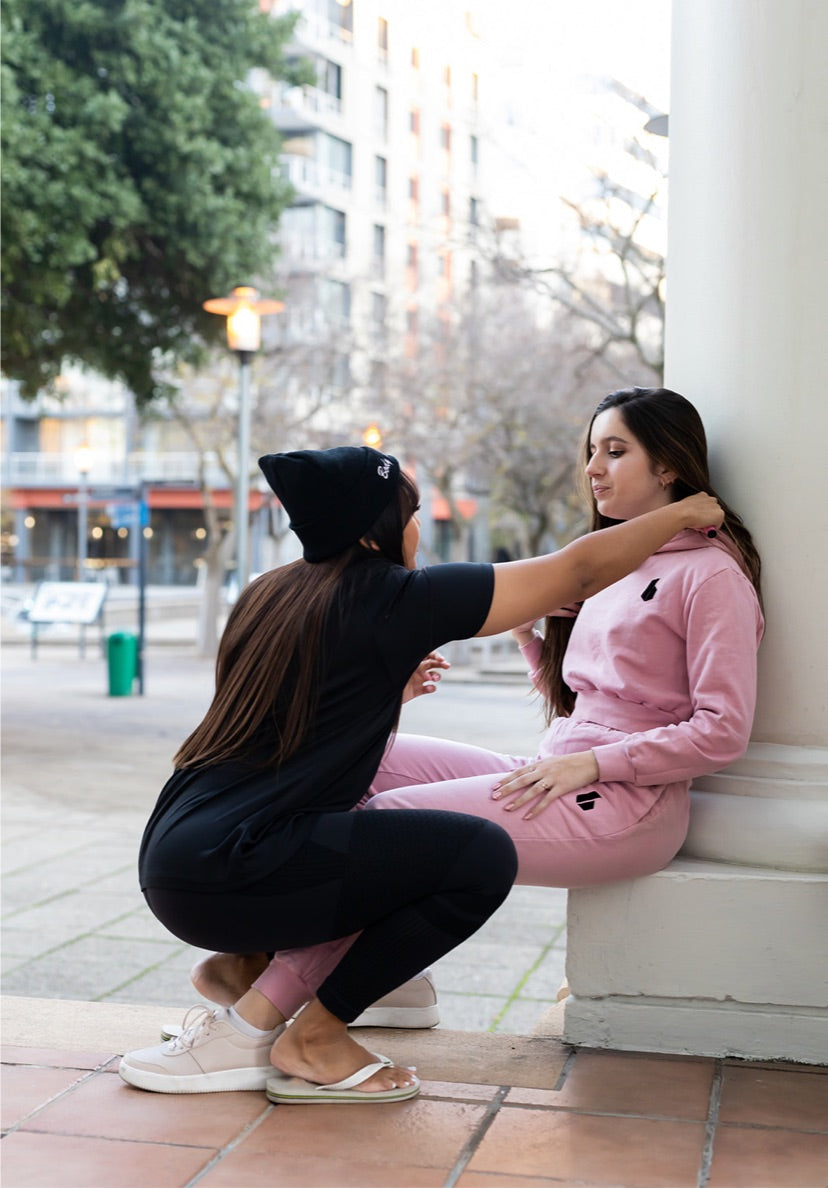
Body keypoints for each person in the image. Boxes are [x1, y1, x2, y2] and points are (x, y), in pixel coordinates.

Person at [119, 436, 724, 1103]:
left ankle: (247, 965)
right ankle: (309, 1036)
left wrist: (384, 694)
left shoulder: (272, 595)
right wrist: (681, 512)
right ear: (379, 529)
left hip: (174, 860)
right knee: (477, 854)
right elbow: (576, 572)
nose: (416, 529)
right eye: (408, 513)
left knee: (382, 827)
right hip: (240, 871)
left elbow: (285, 727)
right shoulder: (392, 596)